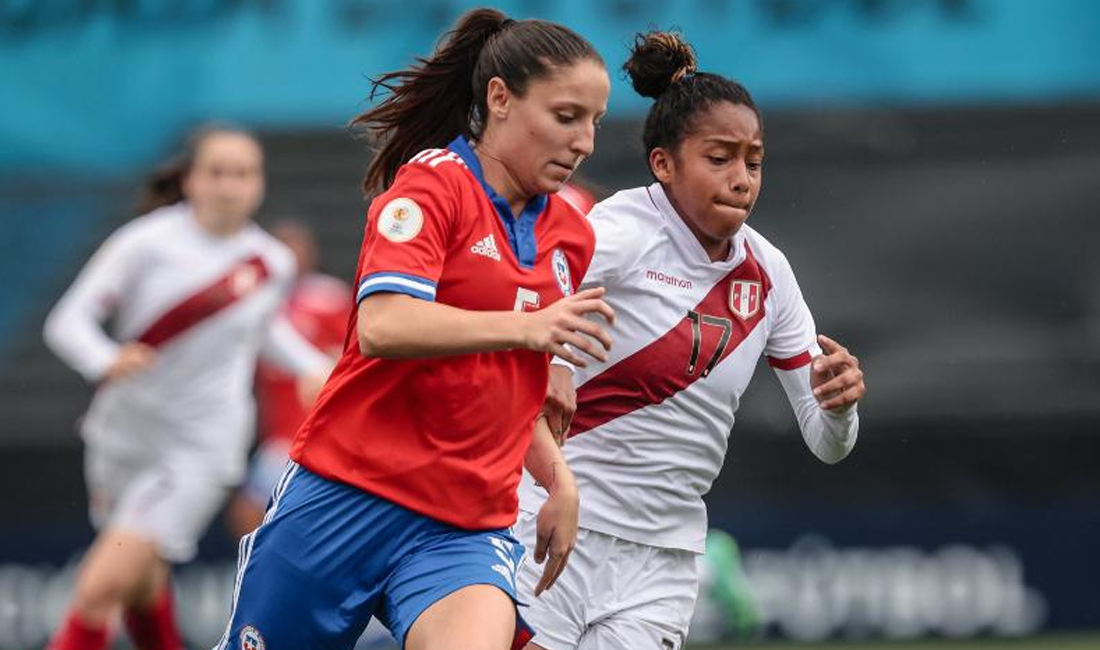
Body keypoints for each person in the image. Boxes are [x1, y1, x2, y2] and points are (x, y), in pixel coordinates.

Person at [213, 8, 613, 650]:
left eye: (595, 122)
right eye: (567, 117)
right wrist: (525, 326)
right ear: (500, 99)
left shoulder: (572, 234)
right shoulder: (432, 186)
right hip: (344, 495)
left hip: (462, 525)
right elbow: (384, 324)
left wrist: (559, 479)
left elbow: (510, 387)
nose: (585, 141)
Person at [514, 31, 867, 650]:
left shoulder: (769, 274)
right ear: (664, 164)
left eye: (753, 161)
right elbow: (527, 299)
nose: (741, 179)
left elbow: (826, 443)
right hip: (549, 524)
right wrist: (553, 357)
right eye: (720, 158)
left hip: (665, 562)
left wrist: (839, 408)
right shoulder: (619, 230)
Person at [42, 125, 334, 650]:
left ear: (259, 184)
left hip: (201, 446)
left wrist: (313, 366)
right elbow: (67, 322)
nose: (230, 185)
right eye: (217, 172)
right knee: (141, 586)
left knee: (98, 588)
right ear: (192, 180)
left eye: (243, 173)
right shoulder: (143, 244)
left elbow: (264, 327)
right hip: (123, 434)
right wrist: (105, 359)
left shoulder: (271, 262)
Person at [225, 219, 354, 539]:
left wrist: (326, 368)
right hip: (277, 434)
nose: (290, 255)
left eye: (297, 246)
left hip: (317, 432)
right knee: (251, 515)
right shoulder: (257, 301)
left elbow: (354, 355)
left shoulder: (328, 298)